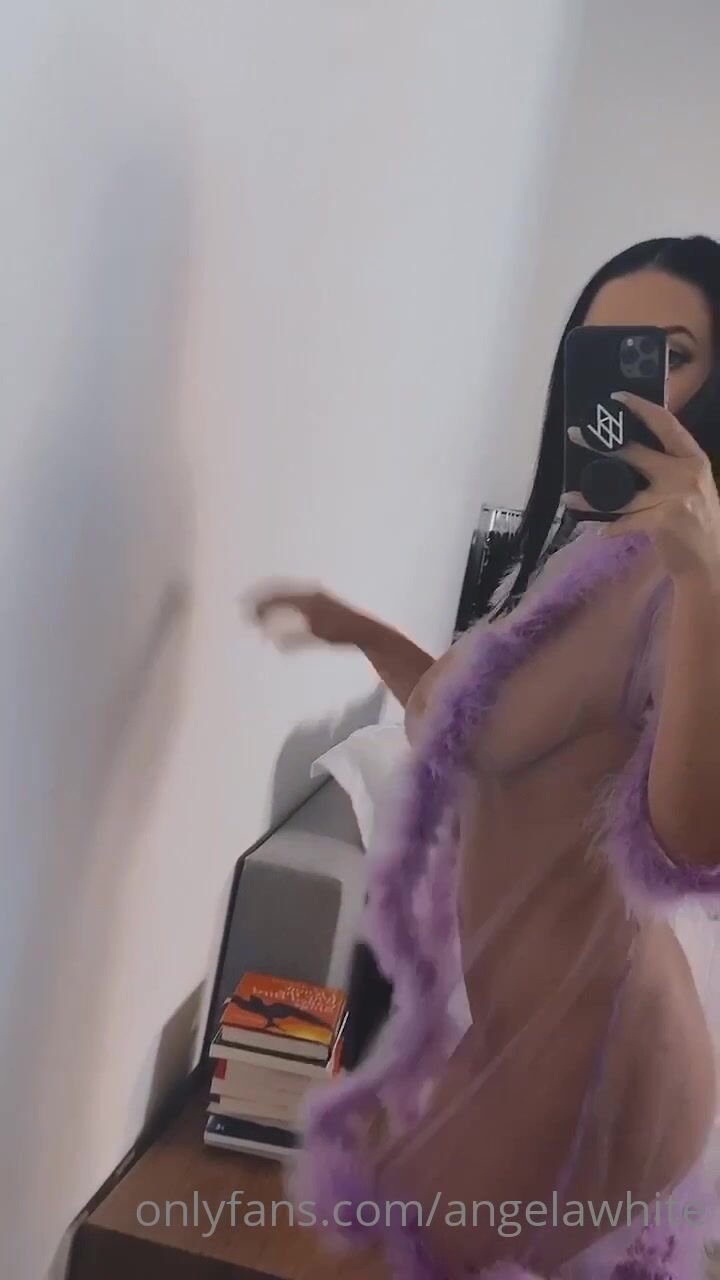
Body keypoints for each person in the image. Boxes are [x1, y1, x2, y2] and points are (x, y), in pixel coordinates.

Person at [251, 236, 720, 1280]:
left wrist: (704, 576)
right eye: (603, 345)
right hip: (521, 1038)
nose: (629, 378)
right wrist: (360, 631)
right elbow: (467, 726)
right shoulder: (579, 553)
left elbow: (695, 837)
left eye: (670, 352)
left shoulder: (677, 582)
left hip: (599, 1059)